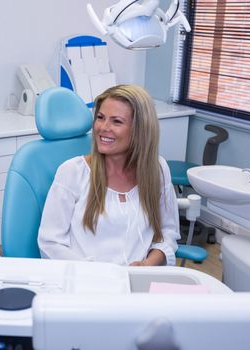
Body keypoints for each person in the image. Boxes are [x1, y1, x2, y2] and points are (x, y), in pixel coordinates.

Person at [38, 85, 180, 266]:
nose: (103, 128)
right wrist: (99, 276)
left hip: (138, 282)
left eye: (117, 121)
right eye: (100, 118)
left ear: (140, 129)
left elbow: (168, 232)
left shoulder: (157, 169)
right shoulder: (72, 172)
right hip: (86, 283)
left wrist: (148, 264)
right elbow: (50, 243)